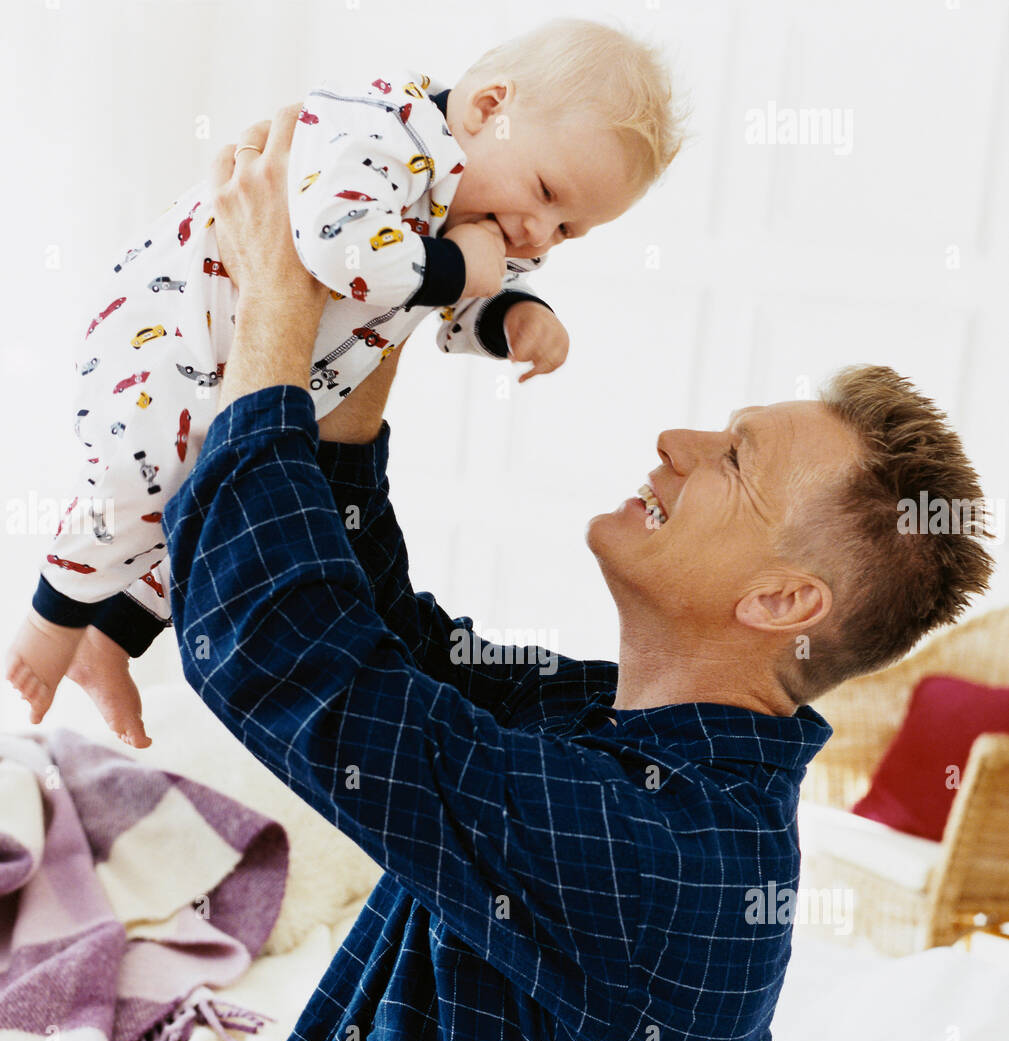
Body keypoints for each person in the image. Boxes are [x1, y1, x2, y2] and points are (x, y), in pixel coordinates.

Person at [0, 108, 991, 1041]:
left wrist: (271, 316)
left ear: (783, 598)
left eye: (731, 457)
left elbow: (296, 662)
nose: (674, 440)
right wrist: (373, 331)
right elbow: (399, 651)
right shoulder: (612, 733)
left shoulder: (675, 853)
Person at [6, 18, 683, 750]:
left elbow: (459, 303)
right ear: (490, 108)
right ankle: (53, 618)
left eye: (568, 231)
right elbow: (340, 251)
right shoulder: (375, 130)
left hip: (247, 376)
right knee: (142, 477)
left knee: (216, 508)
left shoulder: (481, 214)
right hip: (169, 339)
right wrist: (458, 265)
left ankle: (112, 636)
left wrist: (513, 315)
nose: (536, 235)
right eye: (545, 192)